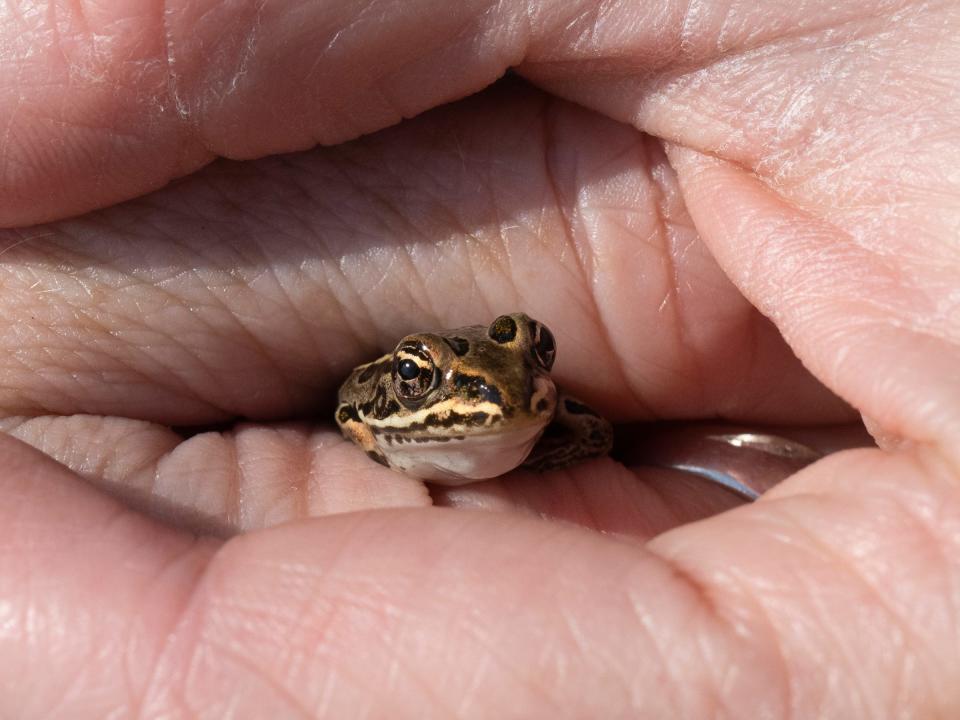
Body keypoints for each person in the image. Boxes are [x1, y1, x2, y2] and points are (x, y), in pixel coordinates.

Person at [0, 1, 957, 716]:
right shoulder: (368, 417)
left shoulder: (569, 424)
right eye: (421, 376)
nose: (503, 383)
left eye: (527, 353)